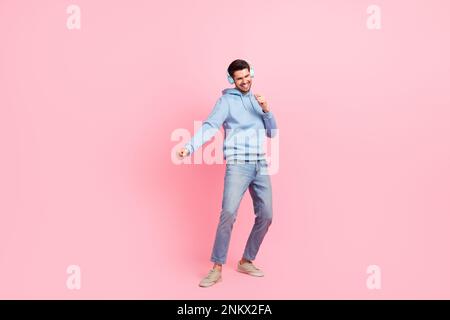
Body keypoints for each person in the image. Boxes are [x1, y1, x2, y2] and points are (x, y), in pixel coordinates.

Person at [177, 59, 278, 287]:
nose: (244, 81)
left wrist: (267, 110)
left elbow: (272, 133)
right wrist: (189, 147)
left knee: (267, 215)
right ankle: (216, 267)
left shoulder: (257, 100)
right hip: (238, 165)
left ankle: (246, 260)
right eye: (239, 78)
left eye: (247, 76)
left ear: (252, 73)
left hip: (260, 164)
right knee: (229, 213)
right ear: (232, 80)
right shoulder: (225, 101)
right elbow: (210, 126)